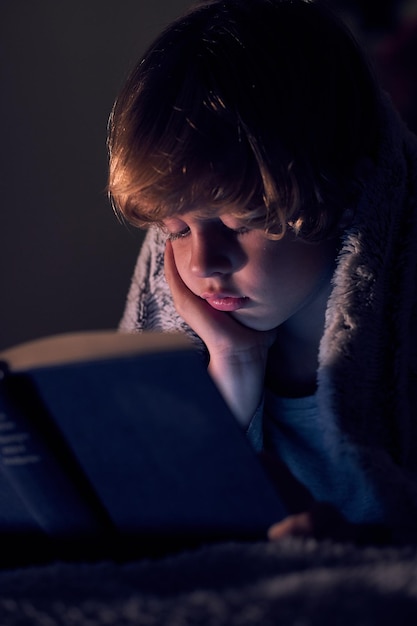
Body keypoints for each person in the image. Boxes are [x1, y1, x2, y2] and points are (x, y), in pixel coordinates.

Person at [108, 0, 417, 544]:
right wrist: (232, 369)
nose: (204, 263)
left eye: (243, 220)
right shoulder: (216, 345)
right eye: (176, 231)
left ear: (350, 192)